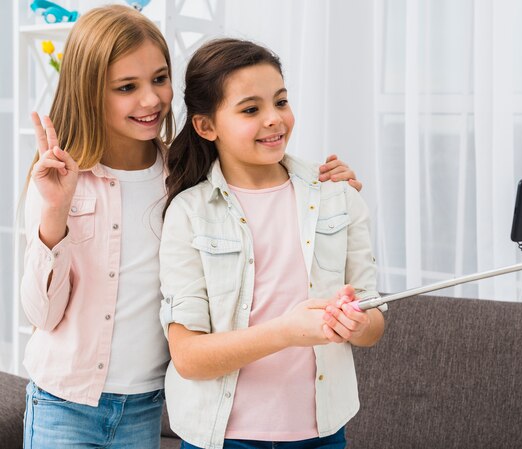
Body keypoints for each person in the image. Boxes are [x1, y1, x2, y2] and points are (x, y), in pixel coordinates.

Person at [20, 6, 360, 448]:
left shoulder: (186, 173)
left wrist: (330, 184)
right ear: (90, 93)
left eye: (159, 79)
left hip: (146, 403)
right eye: (127, 87)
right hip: (64, 401)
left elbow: (259, 170)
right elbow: (41, 315)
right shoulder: (58, 179)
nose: (151, 100)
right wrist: (54, 213)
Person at [160, 38, 386, 449]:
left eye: (280, 102)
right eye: (251, 109)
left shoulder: (338, 195)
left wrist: (356, 323)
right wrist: (286, 331)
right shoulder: (189, 213)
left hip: (323, 432)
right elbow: (189, 357)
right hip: (223, 437)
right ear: (206, 126)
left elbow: (373, 326)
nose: (274, 119)